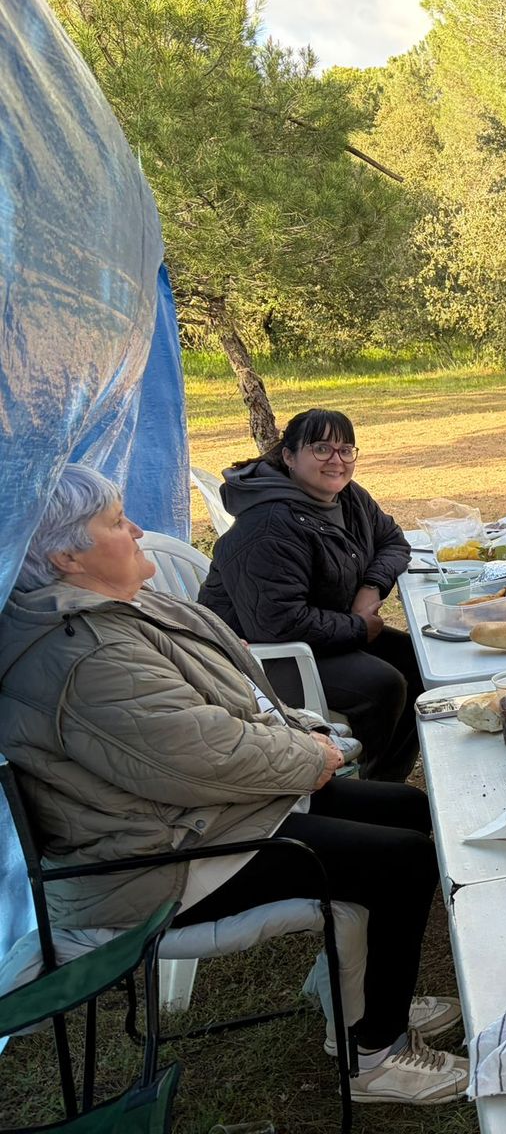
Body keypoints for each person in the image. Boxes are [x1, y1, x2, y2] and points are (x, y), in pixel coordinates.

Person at [0, 465, 468, 1104]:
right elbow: (205, 756)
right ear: (65, 555)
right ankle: (373, 1057)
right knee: (403, 861)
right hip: (150, 863)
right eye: (115, 522)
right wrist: (307, 756)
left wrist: (300, 735)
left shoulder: (118, 610)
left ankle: (352, 996)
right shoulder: (85, 653)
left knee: (408, 810)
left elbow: (234, 702)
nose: (136, 528)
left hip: (201, 814)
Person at [198, 409, 423, 783]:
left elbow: (393, 541)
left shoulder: (347, 497)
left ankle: (385, 778)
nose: (336, 460)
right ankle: (366, 784)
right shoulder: (268, 525)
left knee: (418, 664)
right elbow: (277, 622)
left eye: (346, 449)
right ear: (289, 456)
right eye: (321, 449)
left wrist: (371, 588)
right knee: (383, 684)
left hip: (320, 633)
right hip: (264, 657)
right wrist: (356, 627)